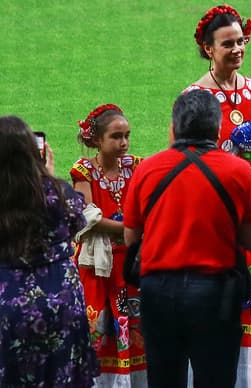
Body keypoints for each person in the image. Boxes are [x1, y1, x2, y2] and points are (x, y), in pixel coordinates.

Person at [123, 89, 251, 388]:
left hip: (158, 292)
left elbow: (131, 235)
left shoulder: (146, 169)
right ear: (217, 126)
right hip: (215, 294)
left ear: (174, 127)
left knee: (164, 379)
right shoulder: (238, 170)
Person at [186, 4, 251, 386]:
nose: (237, 49)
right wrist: (228, 152)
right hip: (220, 209)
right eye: (228, 44)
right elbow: (185, 162)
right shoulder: (193, 97)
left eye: (241, 41)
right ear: (209, 49)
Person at [0, 116, 98, 387]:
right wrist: (48, 177)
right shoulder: (57, 193)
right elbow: (78, 220)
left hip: (6, 305)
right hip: (60, 302)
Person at [70, 103, 147, 387]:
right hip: (100, 268)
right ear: (97, 140)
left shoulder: (136, 166)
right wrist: (131, 229)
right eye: (116, 137)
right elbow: (87, 215)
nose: (124, 142)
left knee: (136, 327)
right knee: (100, 331)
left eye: (127, 135)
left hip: (129, 264)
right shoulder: (84, 171)